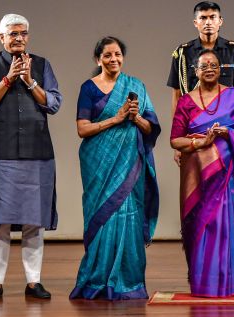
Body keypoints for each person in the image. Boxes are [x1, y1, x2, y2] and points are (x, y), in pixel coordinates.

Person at [0, 14, 62, 300]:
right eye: (12, 34)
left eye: (23, 33)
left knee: (34, 221)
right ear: (1, 38)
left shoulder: (42, 64)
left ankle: (33, 282)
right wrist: (9, 79)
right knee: (0, 222)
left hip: (37, 153)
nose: (18, 38)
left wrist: (30, 81)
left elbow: (55, 103)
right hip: (0, 155)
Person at [70, 37, 160, 300]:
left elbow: (151, 129)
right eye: (108, 55)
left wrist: (136, 117)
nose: (114, 59)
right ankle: (97, 279)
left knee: (129, 217)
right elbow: (82, 129)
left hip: (129, 166)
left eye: (118, 54)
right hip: (98, 165)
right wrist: (116, 118)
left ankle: (129, 282)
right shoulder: (89, 88)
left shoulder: (136, 87)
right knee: (102, 216)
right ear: (98, 59)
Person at [171, 49, 234, 297]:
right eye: (204, 65)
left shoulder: (233, 97)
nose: (209, 68)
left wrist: (229, 133)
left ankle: (229, 283)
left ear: (220, 70)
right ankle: (202, 284)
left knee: (224, 225)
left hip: (226, 177)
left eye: (214, 65)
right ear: (195, 71)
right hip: (197, 180)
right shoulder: (186, 102)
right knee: (200, 226)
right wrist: (201, 143)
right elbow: (175, 140)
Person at [167, 1, 234, 165]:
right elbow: (177, 97)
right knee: (195, 186)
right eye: (203, 18)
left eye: (212, 17)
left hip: (224, 130)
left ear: (220, 21)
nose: (208, 22)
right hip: (193, 131)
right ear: (195, 23)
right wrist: (179, 143)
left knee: (226, 186)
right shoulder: (182, 53)